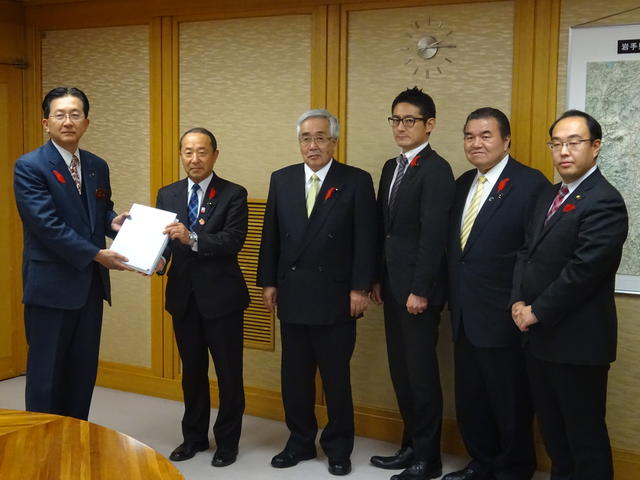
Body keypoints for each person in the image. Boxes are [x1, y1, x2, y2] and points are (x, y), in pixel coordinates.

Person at [257, 109, 376, 476]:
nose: (313, 145)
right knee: (294, 375)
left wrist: (360, 288)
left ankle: (339, 446)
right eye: (306, 138)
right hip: (292, 293)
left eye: (321, 137)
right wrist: (269, 282)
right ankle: (300, 442)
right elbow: (271, 236)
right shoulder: (282, 179)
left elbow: (366, 241)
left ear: (334, 142)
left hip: (337, 296)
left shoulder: (355, 181)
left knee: (335, 377)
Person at [511, 110, 628, 480]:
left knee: (584, 437)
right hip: (539, 338)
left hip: (577, 342)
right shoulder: (549, 193)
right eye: (556, 143)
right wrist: (516, 300)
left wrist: (536, 311)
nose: (564, 151)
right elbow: (525, 252)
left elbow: (583, 272)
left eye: (574, 142)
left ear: (595, 147)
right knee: (554, 434)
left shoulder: (605, 201)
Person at [444, 108, 549, 480]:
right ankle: (482, 463)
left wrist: (521, 303)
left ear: (506, 140)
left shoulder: (531, 184)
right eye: (470, 136)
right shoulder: (460, 185)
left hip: (505, 314)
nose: (476, 143)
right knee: (472, 400)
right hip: (464, 313)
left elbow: (533, 253)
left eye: (486, 135)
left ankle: (513, 470)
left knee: (510, 401)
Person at [13, 87, 129, 421]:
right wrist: (97, 254)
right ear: (45, 122)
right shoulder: (30, 166)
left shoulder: (96, 165)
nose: (68, 121)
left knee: (82, 373)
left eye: (75, 114)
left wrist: (114, 222)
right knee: (46, 376)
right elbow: (47, 226)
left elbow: (99, 210)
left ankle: (75, 440)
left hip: (89, 288)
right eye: (60, 115)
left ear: (87, 122)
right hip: (50, 289)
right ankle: (42, 446)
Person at [369, 87, 455, 480]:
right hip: (391, 284)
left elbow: (434, 237)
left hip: (418, 292)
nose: (401, 127)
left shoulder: (437, 171)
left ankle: (429, 458)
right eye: (395, 120)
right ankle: (409, 446)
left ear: (429, 125)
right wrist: (375, 278)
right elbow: (382, 230)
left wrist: (419, 289)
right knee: (401, 371)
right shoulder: (391, 166)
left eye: (410, 120)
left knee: (421, 375)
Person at [156, 127, 249, 467]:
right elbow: (164, 244)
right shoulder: (167, 194)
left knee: (228, 374)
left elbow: (231, 241)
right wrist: (156, 260)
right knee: (192, 372)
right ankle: (193, 437)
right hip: (184, 298)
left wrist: (192, 237)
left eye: (201, 152)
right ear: (181, 155)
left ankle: (227, 442)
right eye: (188, 152)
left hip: (222, 299)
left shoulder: (234, 194)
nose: (194, 159)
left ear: (215, 155)